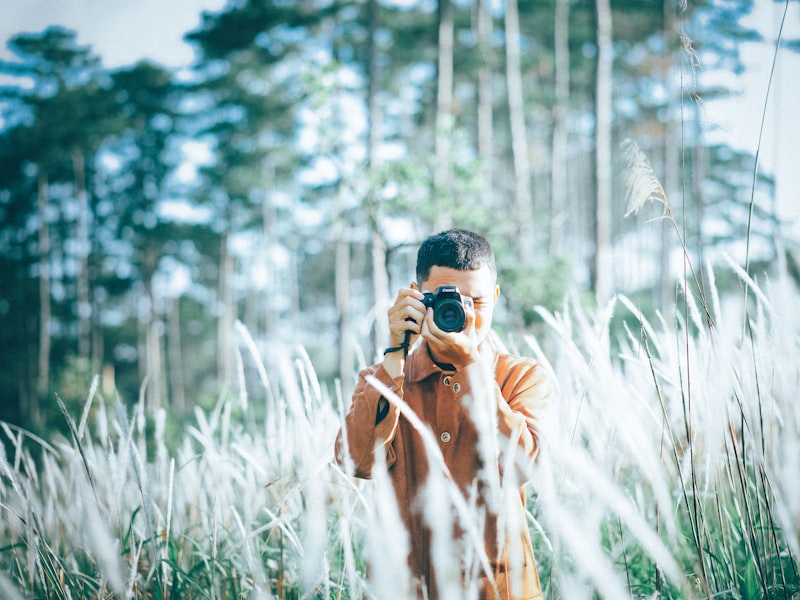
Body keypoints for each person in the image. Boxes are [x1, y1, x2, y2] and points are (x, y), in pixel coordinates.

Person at [335, 229, 551, 600]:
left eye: (476, 302)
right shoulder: (383, 379)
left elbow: (523, 464)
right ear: (417, 298)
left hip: (496, 590)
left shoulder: (521, 376)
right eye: (446, 300)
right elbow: (354, 460)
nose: (463, 314)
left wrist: (471, 367)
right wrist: (393, 356)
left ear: (495, 299)